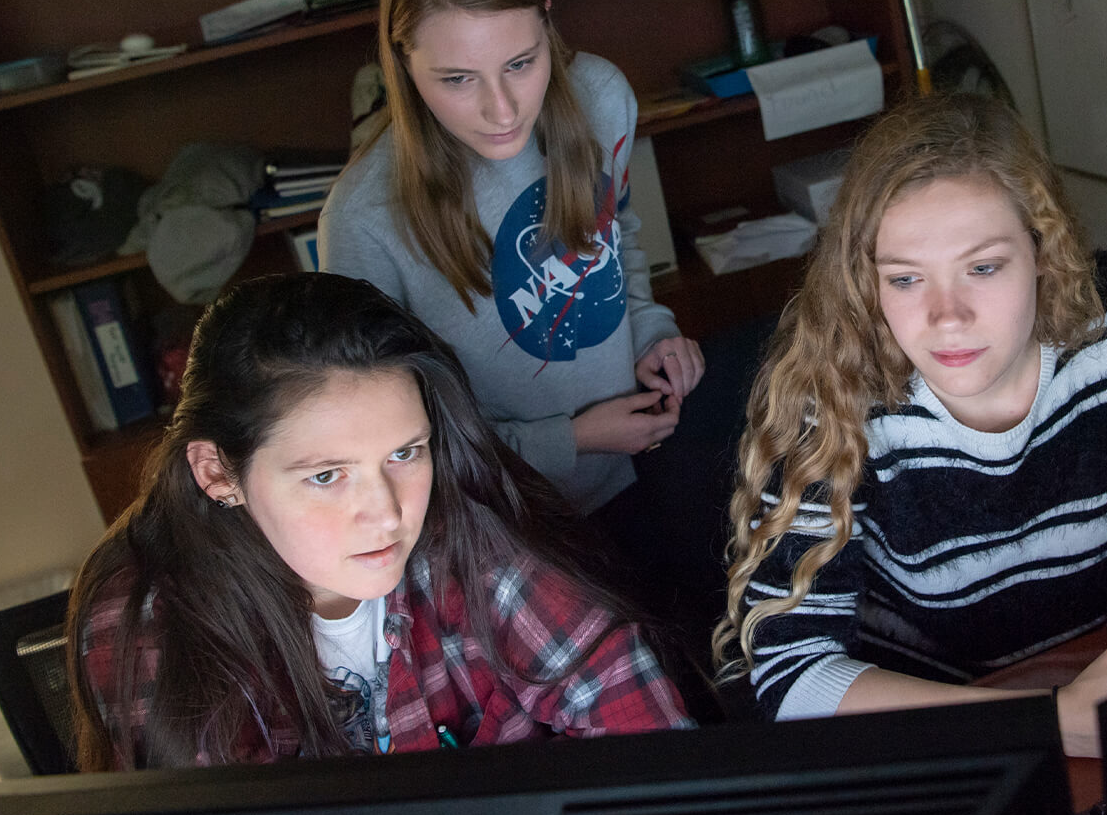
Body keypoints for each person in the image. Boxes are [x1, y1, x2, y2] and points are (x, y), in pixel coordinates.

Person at [713, 94, 1107, 757]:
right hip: (939, 732)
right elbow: (795, 676)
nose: (946, 316)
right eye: (905, 280)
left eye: (983, 268)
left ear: (1043, 252)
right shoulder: (838, 392)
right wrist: (1046, 721)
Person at [67, 273, 691, 770]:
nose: (390, 512)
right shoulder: (149, 624)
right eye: (326, 476)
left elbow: (629, 706)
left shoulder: (460, 524)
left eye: (404, 453)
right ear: (217, 474)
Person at [319, 0, 704, 521]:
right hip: (512, 528)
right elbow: (393, 440)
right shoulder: (363, 221)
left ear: (546, 20)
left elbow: (618, 229)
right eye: (457, 79)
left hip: (644, 466)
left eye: (521, 64)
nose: (500, 110)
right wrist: (573, 439)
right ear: (402, 61)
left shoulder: (601, 96)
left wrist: (650, 330)